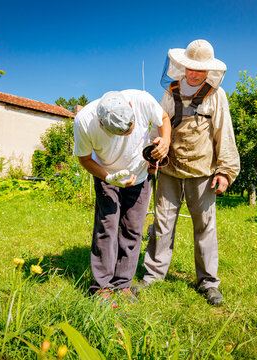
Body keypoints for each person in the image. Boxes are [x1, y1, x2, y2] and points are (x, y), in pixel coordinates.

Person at [133, 39, 240, 306]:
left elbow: (223, 134)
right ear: (182, 65)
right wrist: (152, 153)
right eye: (189, 68)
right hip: (169, 168)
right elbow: (159, 127)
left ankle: (208, 282)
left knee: (205, 226)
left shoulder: (216, 95)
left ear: (208, 70)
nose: (193, 73)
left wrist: (225, 172)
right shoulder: (170, 93)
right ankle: (153, 276)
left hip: (202, 171)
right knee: (162, 223)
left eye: (199, 69)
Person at [73, 90, 170, 307]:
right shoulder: (84, 121)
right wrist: (109, 178)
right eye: (118, 132)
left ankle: (123, 283)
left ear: (130, 105)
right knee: (107, 227)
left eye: (129, 128)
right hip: (107, 175)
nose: (126, 135)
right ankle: (101, 287)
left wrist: (165, 141)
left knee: (133, 229)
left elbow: (163, 118)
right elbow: (85, 158)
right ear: (100, 121)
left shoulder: (142, 100)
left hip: (140, 176)